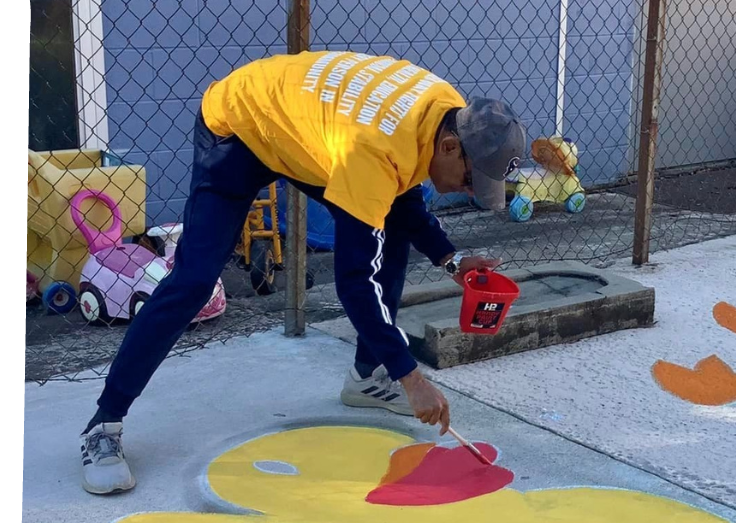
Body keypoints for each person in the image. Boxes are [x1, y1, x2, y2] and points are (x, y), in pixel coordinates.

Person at [79, 50, 526, 495]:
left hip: (308, 129)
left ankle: (367, 377)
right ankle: (104, 424)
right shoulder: (372, 151)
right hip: (240, 127)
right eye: (470, 181)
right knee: (193, 281)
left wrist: (450, 260)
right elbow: (354, 282)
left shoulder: (448, 109)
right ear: (450, 147)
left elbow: (403, 194)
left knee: (390, 228)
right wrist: (411, 375)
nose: (468, 191)